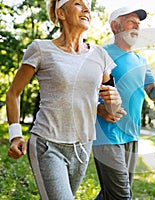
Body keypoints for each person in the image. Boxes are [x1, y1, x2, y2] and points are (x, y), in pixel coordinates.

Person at [5, 0, 121, 199]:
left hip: (82, 147)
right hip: (47, 144)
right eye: (78, 3)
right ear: (61, 13)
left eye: (88, 6)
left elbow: (111, 104)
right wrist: (15, 135)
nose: (86, 9)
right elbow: (13, 93)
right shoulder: (41, 49)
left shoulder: (100, 55)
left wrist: (112, 104)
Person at [92, 6, 155, 200]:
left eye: (138, 23)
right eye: (131, 21)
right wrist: (98, 108)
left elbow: (152, 94)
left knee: (111, 194)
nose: (137, 26)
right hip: (106, 133)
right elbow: (83, 89)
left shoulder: (141, 60)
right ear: (115, 26)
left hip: (131, 134)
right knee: (122, 195)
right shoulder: (99, 53)